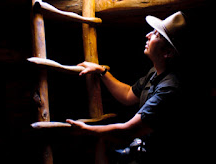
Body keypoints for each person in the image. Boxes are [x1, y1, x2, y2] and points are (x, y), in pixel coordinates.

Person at [67, 11, 188, 163]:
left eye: (156, 35)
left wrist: (86, 130)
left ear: (168, 52)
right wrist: (102, 71)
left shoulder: (169, 88)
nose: (148, 35)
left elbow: (129, 131)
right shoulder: (154, 73)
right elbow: (128, 95)